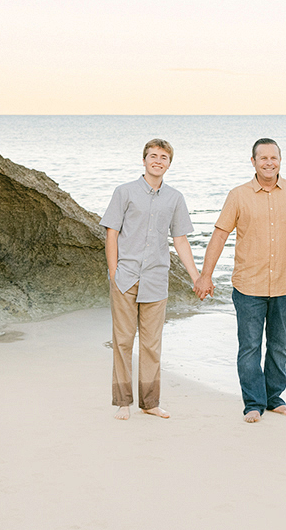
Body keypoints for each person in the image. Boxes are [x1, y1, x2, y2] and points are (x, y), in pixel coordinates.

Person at [193, 138, 286, 423]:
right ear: (252, 162)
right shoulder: (238, 195)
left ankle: (275, 399)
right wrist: (205, 275)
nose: (269, 162)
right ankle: (253, 403)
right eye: (262, 158)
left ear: (280, 160)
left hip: (284, 286)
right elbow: (219, 235)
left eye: (273, 157)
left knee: (279, 346)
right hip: (248, 286)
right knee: (249, 347)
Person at [102, 138, 201, 420]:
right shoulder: (124, 192)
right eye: (153, 156)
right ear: (144, 159)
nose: (158, 161)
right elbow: (111, 233)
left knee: (151, 345)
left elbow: (180, 239)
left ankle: (149, 403)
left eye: (163, 157)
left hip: (157, 279)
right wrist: (114, 272)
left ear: (170, 163)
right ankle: (123, 402)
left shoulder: (175, 198)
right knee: (122, 341)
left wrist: (196, 276)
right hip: (126, 277)